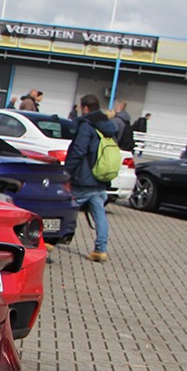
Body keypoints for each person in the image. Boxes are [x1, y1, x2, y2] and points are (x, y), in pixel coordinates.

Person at [65, 94, 120, 264]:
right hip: (100, 177)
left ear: (86, 108)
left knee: (65, 209)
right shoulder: (108, 127)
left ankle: (51, 241)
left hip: (84, 178)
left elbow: (78, 151)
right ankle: (100, 250)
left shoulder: (87, 126)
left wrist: (66, 171)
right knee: (99, 214)